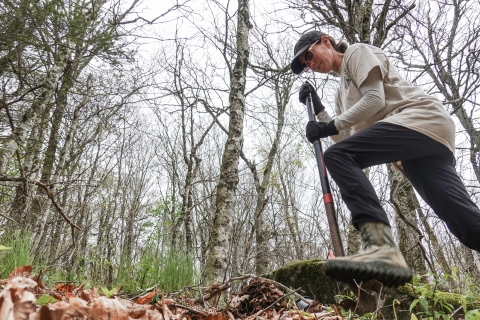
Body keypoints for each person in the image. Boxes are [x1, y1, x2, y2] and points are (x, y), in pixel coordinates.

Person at [290, 30, 480, 287]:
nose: (311, 64)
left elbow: (374, 99)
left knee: (336, 157)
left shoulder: (355, 53)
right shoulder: (340, 96)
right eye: (306, 64)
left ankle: (381, 248)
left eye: (309, 55)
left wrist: (329, 126)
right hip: (414, 150)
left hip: (419, 119)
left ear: (326, 41)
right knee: (467, 226)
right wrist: (321, 110)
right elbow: (346, 138)